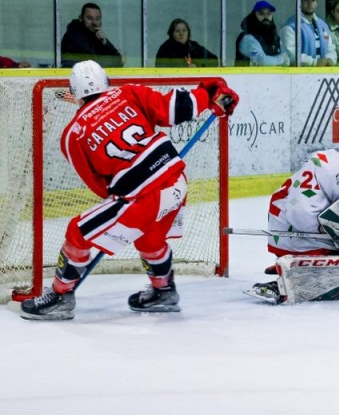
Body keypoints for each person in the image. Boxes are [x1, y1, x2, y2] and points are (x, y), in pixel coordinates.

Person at [20, 60, 239, 320]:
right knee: (150, 239)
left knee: (77, 232)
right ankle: (164, 291)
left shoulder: (72, 134)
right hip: (176, 182)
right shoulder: (129, 92)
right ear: (106, 81)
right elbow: (174, 109)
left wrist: (122, 204)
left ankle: (60, 296)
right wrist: (209, 93)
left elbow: (98, 183)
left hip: (141, 198)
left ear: (74, 92)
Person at [250, 122, 339, 305]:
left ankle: (306, 266)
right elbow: (298, 209)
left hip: (323, 228)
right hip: (291, 228)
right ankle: (294, 270)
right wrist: (338, 233)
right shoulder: (325, 165)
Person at [280, 0, 337, 67]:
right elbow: (290, 54)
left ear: (317, 2)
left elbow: (330, 48)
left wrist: (330, 59)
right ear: (299, 2)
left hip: (323, 72)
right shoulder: (290, 26)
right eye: (306, 0)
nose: (310, 4)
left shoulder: (323, 26)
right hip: (301, 74)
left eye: (313, 0)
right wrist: (313, 62)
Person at [60, 3, 124, 68]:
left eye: (97, 19)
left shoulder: (97, 35)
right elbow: (93, 61)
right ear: (81, 18)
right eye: (89, 18)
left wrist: (105, 43)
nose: (94, 22)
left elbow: (118, 61)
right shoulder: (74, 35)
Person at [235, 0, 288, 66]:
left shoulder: (275, 37)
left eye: (268, 14)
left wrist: (280, 60)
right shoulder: (248, 38)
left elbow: (287, 60)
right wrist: (281, 59)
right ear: (254, 17)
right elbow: (263, 62)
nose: (266, 17)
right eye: (261, 14)